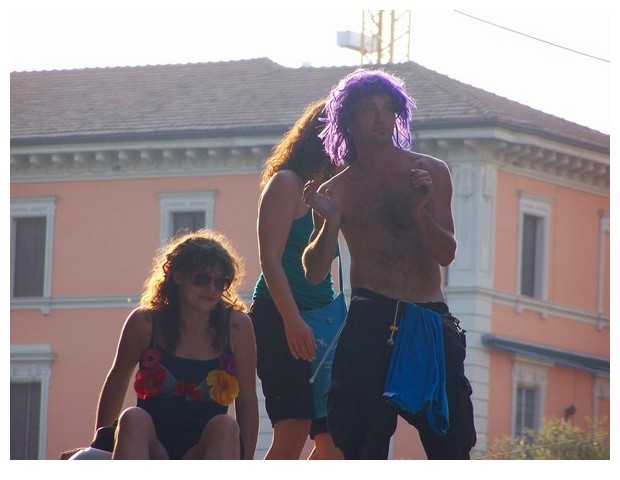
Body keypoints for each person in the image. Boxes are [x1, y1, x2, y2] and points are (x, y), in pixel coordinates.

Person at [301, 68, 477, 460]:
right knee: (359, 441)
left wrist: (418, 212)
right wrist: (329, 221)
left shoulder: (428, 171)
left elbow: (446, 252)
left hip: (427, 317)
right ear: (348, 119)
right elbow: (313, 272)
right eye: (369, 109)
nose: (381, 118)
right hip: (371, 316)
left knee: (451, 442)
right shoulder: (337, 189)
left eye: (387, 108)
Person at [93, 229, 258, 459]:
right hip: (152, 447)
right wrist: (98, 449)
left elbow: (247, 400)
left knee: (226, 426)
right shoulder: (145, 322)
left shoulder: (237, 327)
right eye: (202, 279)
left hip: (205, 449)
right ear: (177, 276)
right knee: (132, 417)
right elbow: (117, 381)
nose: (211, 289)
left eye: (221, 282)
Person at [249, 99, 343, 460]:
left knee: (334, 442)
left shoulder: (337, 190)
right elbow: (269, 258)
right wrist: (292, 320)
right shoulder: (286, 183)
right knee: (293, 429)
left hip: (324, 319)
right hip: (279, 314)